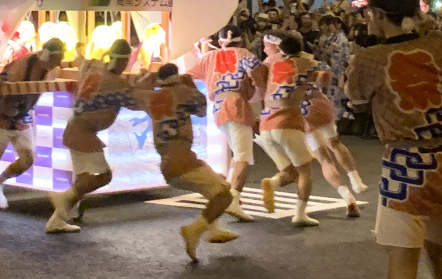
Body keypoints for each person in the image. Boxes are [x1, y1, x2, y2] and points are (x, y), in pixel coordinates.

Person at [345, 0, 442, 279]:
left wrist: (365, 51)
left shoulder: (369, 58)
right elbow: (425, 27)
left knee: (403, 262)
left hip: (406, 163)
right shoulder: (439, 44)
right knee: (440, 256)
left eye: (370, 13)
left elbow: (355, 101)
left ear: (378, 14)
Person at [136, 64, 238, 262]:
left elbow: (134, 93)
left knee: (219, 185)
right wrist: (190, 85)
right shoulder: (184, 93)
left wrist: (144, 80)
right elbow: (201, 109)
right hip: (183, 160)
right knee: (224, 197)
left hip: (168, 162)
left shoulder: (151, 97)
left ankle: (213, 229)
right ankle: (194, 231)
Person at [45, 39, 143, 234]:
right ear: (125, 61)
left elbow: (83, 62)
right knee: (102, 176)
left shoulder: (93, 66)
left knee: (83, 179)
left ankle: (58, 219)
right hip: (83, 132)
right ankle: (61, 199)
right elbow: (135, 103)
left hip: (76, 127)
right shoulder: (117, 82)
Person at [0, 37, 66, 222]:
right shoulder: (22, 67)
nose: (60, 63)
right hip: (2, 116)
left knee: (28, 158)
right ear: (49, 56)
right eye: (58, 58)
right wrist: (4, 109)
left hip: (22, 115)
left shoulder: (47, 67)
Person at [186, 25, 260, 222]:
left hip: (218, 106)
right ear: (242, 38)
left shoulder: (208, 57)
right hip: (237, 103)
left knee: (237, 154)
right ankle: (233, 200)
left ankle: (228, 197)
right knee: (243, 155)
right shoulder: (245, 54)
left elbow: (188, 76)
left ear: (219, 41)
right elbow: (259, 78)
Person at [250, 32, 319, 227]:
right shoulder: (310, 63)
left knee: (290, 173)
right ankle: (300, 214)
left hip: (265, 125)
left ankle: (271, 184)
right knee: (305, 171)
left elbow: (258, 77)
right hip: (288, 122)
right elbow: (316, 86)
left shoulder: (271, 60)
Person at [302, 57, 367, 217]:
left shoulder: (280, 66)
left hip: (302, 111)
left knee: (324, 159)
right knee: (335, 143)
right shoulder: (306, 60)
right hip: (319, 104)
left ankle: (347, 197)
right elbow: (326, 78)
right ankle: (356, 180)